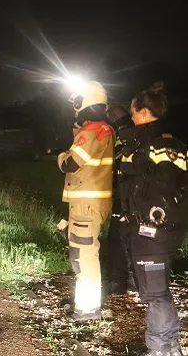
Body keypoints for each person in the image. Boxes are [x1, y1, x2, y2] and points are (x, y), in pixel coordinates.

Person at [120, 82, 187, 356]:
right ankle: (170, 348)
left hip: (153, 231)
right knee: (157, 291)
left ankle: (160, 349)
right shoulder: (164, 141)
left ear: (145, 112)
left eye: (134, 113)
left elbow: (162, 188)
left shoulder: (157, 143)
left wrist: (149, 221)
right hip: (159, 230)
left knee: (154, 294)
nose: (132, 118)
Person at [56, 80, 114, 321]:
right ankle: (85, 304)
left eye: (78, 103)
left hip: (86, 205)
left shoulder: (91, 132)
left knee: (83, 257)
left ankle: (88, 310)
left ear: (88, 103)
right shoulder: (101, 130)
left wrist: (60, 156)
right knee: (83, 254)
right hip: (89, 203)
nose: (75, 109)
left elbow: (70, 163)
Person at [105, 105, 137, 295]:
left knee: (117, 238)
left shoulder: (122, 134)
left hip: (124, 195)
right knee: (132, 238)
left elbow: (118, 163)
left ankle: (118, 283)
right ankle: (135, 282)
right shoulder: (134, 133)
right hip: (135, 196)